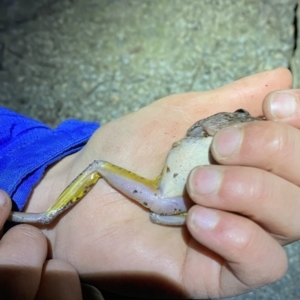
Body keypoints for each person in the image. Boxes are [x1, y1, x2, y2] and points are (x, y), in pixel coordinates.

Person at [1, 67, 299, 299]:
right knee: (100, 166)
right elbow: (201, 127)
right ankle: (47, 214)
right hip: (161, 194)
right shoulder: (219, 125)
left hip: (177, 205)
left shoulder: (234, 147)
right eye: (240, 116)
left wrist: (49, 173)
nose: (242, 119)